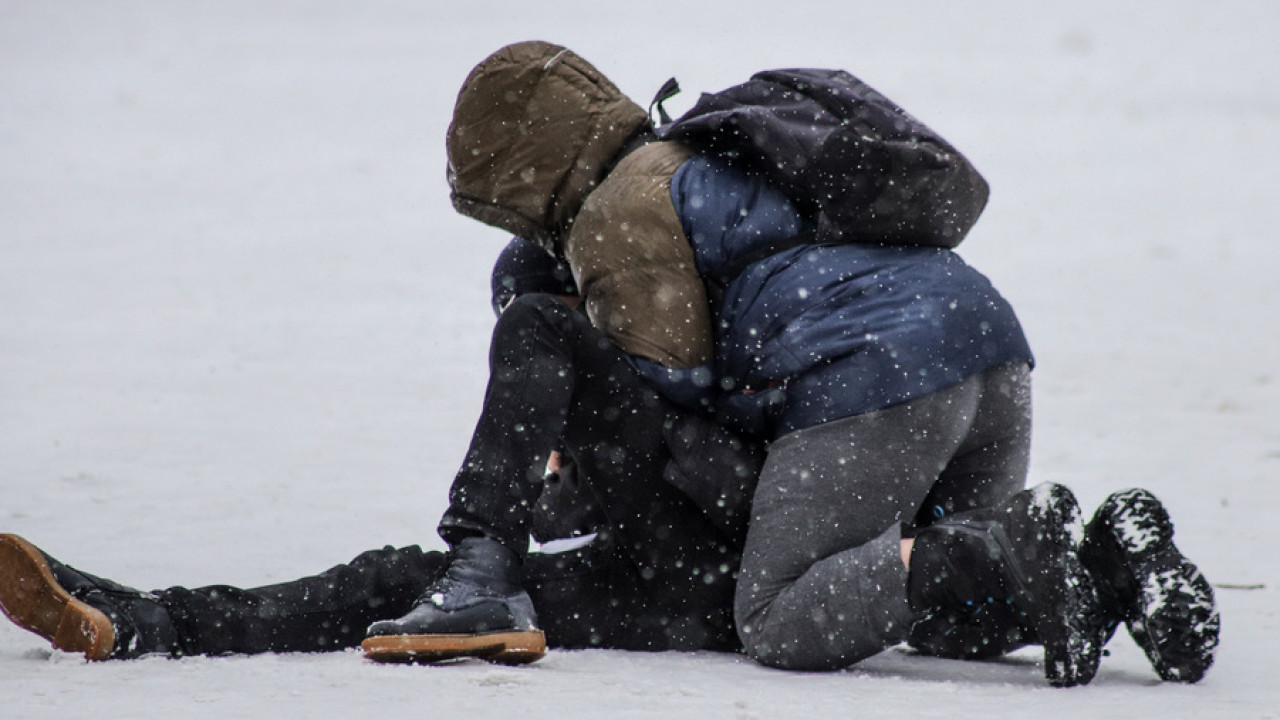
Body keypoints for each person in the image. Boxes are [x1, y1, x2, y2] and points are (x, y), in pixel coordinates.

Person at [373, 40, 1219, 686]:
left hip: (877, 372)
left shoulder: (618, 212)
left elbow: (680, 399)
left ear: (524, 177)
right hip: (987, 343)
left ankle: (1017, 540)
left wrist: (571, 478)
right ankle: (1116, 559)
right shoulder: (704, 155)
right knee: (940, 605)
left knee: (782, 615)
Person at [0, 237, 764, 662]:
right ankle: (142, 621)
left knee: (533, 323)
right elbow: (568, 518)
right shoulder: (625, 396)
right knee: (388, 580)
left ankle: (478, 571)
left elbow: (701, 480)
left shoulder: (671, 369)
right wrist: (568, 467)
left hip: (711, 571)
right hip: (665, 594)